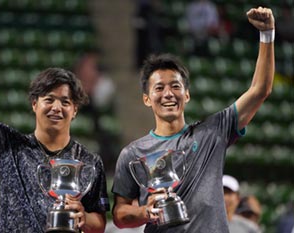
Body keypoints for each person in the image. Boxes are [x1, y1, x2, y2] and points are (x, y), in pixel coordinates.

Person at [112, 6, 275, 233]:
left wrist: (267, 34)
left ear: (186, 95)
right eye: (159, 88)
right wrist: (144, 212)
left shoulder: (213, 132)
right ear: (147, 99)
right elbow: (119, 215)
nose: (168, 94)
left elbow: (260, 90)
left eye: (175, 86)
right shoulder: (132, 153)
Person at [0, 27, 110, 233]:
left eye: (65, 102)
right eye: (49, 99)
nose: (56, 108)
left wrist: (83, 216)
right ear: (34, 104)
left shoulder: (90, 162)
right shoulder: (9, 146)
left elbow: (100, 224)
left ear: (75, 110)